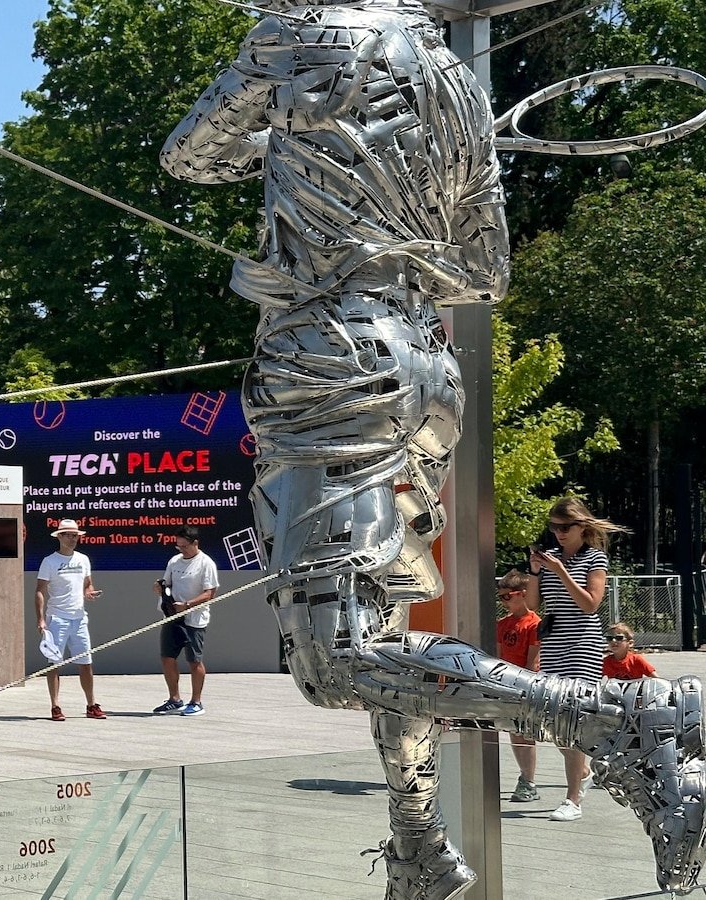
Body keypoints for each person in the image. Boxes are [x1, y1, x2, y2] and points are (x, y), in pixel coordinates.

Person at [164, 1, 706, 893]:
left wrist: (298, 145)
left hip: (325, 360)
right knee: (378, 637)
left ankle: (614, 719)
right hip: (424, 369)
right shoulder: (454, 79)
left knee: (332, 662)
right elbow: (486, 275)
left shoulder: (299, 33)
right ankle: (418, 840)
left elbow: (191, 156)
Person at [529, 497, 624, 823]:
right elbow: (532, 603)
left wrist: (561, 572)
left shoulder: (594, 558)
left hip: (582, 645)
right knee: (555, 720)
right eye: (554, 527)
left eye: (565, 527)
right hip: (554, 644)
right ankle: (582, 770)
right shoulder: (551, 557)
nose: (558, 533)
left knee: (573, 719)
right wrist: (535, 571)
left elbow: (590, 604)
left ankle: (572, 798)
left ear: (582, 526)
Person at [35, 518, 104, 721]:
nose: (73, 539)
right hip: (57, 618)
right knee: (54, 663)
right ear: (60, 537)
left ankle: (91, 704)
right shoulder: (49, 561)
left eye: (76, 536)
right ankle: (55, 706)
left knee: (86, 663)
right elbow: (39, 591)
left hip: (79, 618)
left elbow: (87, 585)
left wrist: (90, 593)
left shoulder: (83, 559)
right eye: (69, 535)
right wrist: (41, 619)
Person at [153, 526, 218, 717]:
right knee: (167, 657)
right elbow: (167, 584)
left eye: (184, 546)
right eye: (178, 546)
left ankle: (196, 701)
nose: (181, 549)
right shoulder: (174, 561)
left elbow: (210, 593)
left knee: (194, 660)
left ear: (195, 543)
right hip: (172, 616)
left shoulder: (206, 563)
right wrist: (159, 588)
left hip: (194, 619)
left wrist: (188, 604)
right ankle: (174, 699)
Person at [494, 570, 541, 802]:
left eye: (507, 596)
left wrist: (525, 687)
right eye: (500, 597)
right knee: (515, 733)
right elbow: (499, 656)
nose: (503, 601)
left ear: (523, 594)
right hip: (506, 686)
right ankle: (525, 777)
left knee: (526, 734)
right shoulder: (502, 624)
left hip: (526, 686)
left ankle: (529, 781)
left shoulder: (534, 624)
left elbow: (533, 660)